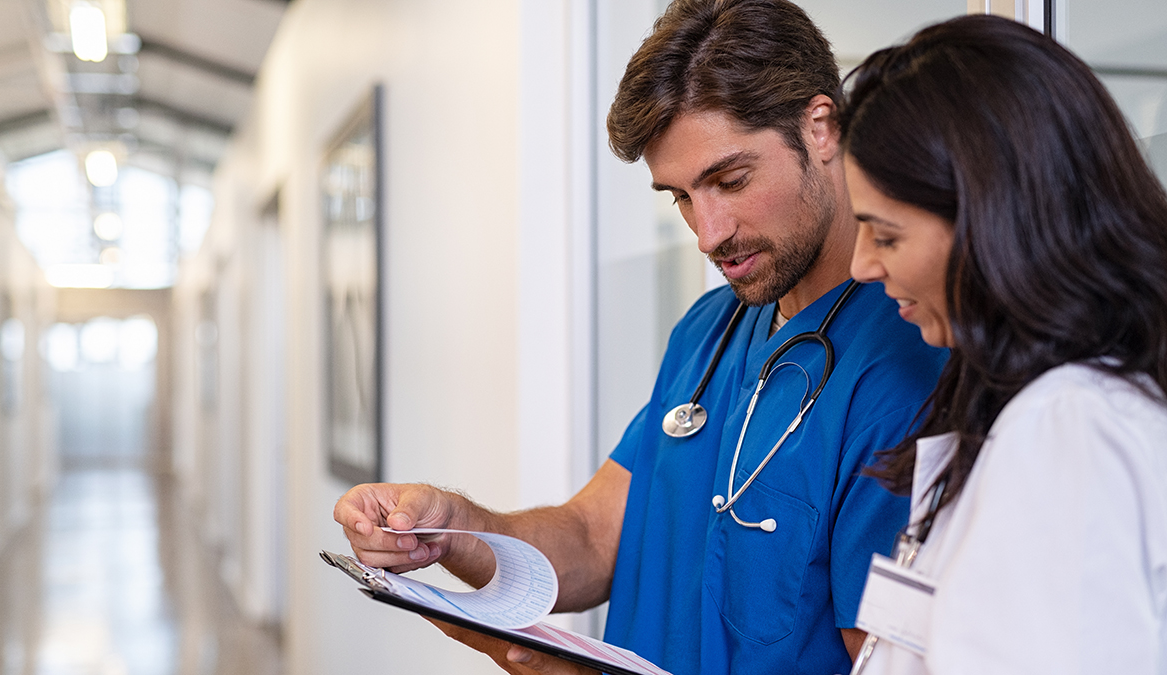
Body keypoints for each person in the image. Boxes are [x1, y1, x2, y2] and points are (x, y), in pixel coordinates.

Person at [333, 1, 947, 673]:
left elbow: (890, 662)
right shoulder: (709, 332)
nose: (708, 233)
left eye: (729, 180)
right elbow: (595, 536)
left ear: (821, 127)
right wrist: (452, 528)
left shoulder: (909, 357)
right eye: (679, 196)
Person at [838, 14, 1167, 675]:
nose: (861, 265)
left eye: (886, 234)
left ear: (989, 222)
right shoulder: (1042, 412)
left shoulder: (1069, 425)